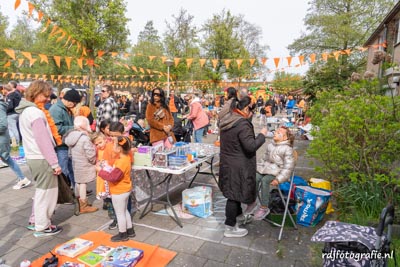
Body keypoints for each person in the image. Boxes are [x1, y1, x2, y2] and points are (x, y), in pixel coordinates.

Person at [15, 80, 63, 236]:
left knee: (41, 191)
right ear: (36, 93)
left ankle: (36, 221)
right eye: (46, 95)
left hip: (33, 156)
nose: (48, 99)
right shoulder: (35, 113)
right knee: (47, 193)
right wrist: (54, 163)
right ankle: (42, 225)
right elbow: (43, 141)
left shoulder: (25, 111)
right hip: (41, 157)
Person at [219, 96, 268, 238]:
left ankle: (238, 216)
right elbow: (250, 146)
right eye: (252, 111)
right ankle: (230, 227)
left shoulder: (228, 119)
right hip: (238, 165)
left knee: (233, 193)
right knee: (233, 196)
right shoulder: (242, 124)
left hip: (228, 163)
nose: (252, 115)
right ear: (246, 109)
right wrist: (262, 135)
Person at [96, 136, 135, 242]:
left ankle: (123, 234)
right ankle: (130, 230)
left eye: (114, 144)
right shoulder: (125, 158)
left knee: (120, 213)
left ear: (119, 148)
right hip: (125, 189)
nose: (112, 145)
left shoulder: (121, 161)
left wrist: (100, 171)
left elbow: (113, 177)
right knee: (125, 210)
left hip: (119, 191)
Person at [253, 126, 295, 220]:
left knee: (265, 180)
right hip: (265, 169)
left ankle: (264, 207)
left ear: (285, 138)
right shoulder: (270, 145)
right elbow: (264, 159)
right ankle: (252, 201)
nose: (275, 133)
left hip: (277, 172)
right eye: (275, 131)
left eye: (279, 132)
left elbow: (288, 168)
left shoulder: (287, 149)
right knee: (254, 177)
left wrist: (278, 179)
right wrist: (258, 167)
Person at [64, 116, 98, 214]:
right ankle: (84, 205)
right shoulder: (84, 138)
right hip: (85, 163)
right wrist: (93, 161)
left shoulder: (71, 136)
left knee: (78, 183)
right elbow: (90, 153)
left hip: (76, 163)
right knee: (83, 183)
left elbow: (70, 153)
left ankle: (78, 203)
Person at [49, 89, 82, 187]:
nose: (75, 106)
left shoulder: (66, 109)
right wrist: (74, 128)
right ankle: (63, 191)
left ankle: (76, 189)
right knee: (63, 169)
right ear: (69, 101)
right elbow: (57, 129)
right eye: (75, 103)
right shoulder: (56, 110)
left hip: (67, 144)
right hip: (60, 145)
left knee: (71, 168)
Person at [0, 92, 31, 190]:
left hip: (1, 138)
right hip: (2, 138)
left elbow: (3, 125)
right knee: (7, 159)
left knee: (7, 158)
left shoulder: (0, 106)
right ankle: (22, 178)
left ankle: (23, 178)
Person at [4, 82, 22, 147]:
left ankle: (16, 142)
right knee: (15, 128)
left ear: (12, 86)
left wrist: (5, 111)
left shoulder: (11, 94)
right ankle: (16, 141)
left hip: (11, 113)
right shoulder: (18, 93)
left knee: (12, 128)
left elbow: (10, 106)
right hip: (18, 112)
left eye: (9, 85)